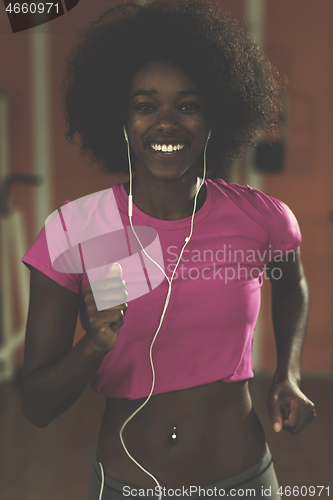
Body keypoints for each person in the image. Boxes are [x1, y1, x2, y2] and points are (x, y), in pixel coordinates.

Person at [20, 1, 316, 499]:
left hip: (244, 478)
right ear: (120, 117)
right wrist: (92, 344)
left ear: (215, 114)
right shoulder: (73, 231)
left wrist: (287, 373)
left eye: (187, 104)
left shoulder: (262, 218)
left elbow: (291, 286)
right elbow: (36, 404)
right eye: (144, 105)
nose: (166, 122)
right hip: (129, 483)